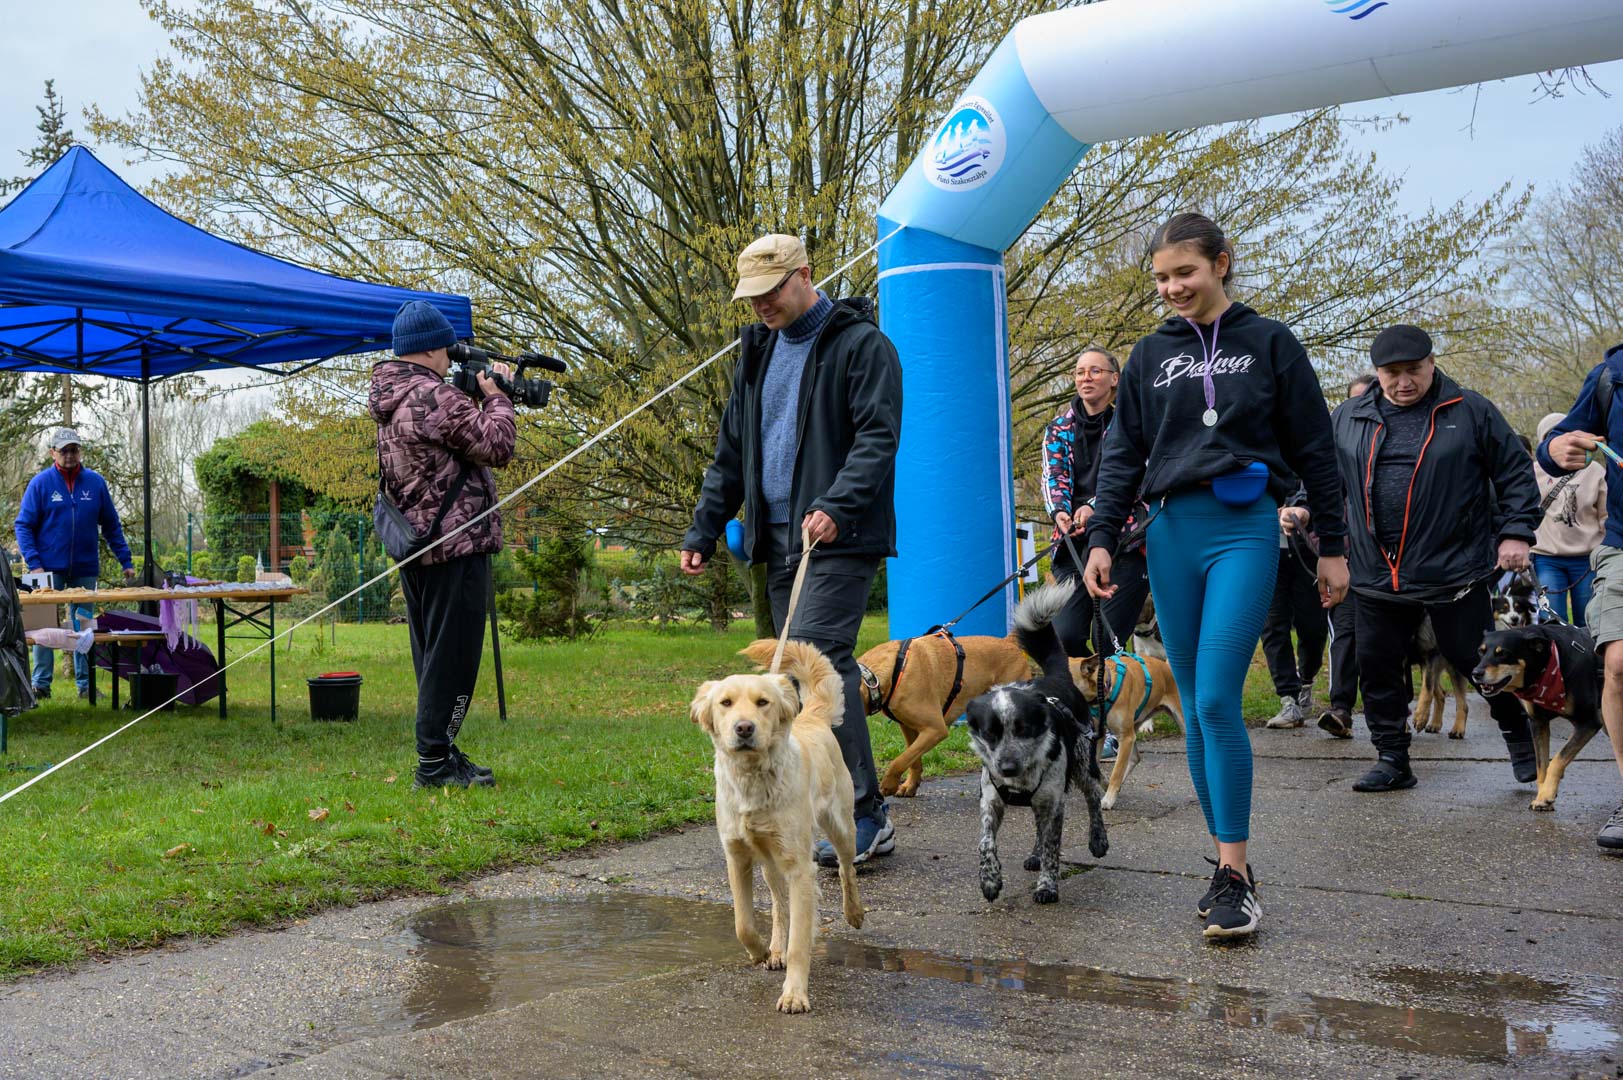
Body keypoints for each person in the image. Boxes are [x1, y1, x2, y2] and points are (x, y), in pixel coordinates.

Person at [1083, 212, 1349, 940]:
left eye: (1185, 273)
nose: (1173, 287)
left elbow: (1316, 449)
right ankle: (1228, 866)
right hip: (1170, 533)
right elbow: (1123, 453)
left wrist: (1331, 545)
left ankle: (1234, 874)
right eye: (1161, 278)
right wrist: (1103, 537)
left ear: (1221, 263)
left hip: (1244, 527)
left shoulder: (1271, 342)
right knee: (1197, 707)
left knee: (1217, 699)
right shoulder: (1148, 354)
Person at [681, 233, 902, 866]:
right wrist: (704, 528)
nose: (761, 305)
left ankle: (865, 815)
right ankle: (799, 808)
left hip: (838, 534)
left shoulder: (861, 345)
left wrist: (837, 504)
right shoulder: (756, 351)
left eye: (771, 291)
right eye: (751, 296)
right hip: (776, 538)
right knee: (794, 677)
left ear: (804, 275)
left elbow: (878, 438)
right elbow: (731, 453)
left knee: (818, 663)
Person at [1332, 325, 1540, 794]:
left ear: (1431, 364)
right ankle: (1392, 758)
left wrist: (1515, 532)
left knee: (1474, 660)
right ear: (1377, 372)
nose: (1403, 382)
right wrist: (1303, 506)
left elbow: (1515, 474)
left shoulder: (1470, 411)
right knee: (1378, 666)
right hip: (1375, 569)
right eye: (1392, 373)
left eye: (1413, 370)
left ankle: (1518, 733)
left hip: (1453, 570)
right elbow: (1325, 476)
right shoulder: (1348, 416)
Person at [369, 301, 515, 790]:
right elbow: (497, 445)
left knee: (432, 657)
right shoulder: (433, 395)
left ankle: (442, 753)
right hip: (455, 544)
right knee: (453, 660)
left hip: (418, 544)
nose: (451, 358)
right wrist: (496, 397)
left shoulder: (392, 396)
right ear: (432, 348)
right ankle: (433, 763)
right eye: (448, 349)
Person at [1537, 341, 1623, 851]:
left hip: (1592, 548)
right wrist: (1556, 449)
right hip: (1613, 547)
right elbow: (1558, 442)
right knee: (1614, 661)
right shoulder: (1611, 375)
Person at [1042, 347, 1149, 661]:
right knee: (1065, 636)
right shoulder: (1058, 429)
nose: (1085, 378)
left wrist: (1093, 506)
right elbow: (1053, 476)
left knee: (1107, 639)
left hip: (1124, 542)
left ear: (1114, 379)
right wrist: (1060, 513)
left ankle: (1120, 686)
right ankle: (1092, 686)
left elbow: (1135, 477)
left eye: (1095, 371)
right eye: (1079, 372)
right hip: (1074, 545)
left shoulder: (1132, 424)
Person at [14, 427, 137, 700]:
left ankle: (86, 685)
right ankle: (41, 685)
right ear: (53, 453)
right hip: (46, 570)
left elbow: (111, 525)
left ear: (79, 452)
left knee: (83, 626)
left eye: (74, 450)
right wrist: (35, 564)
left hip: (84, 568)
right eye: (64, 450)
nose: (69, 455)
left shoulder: (95, 483)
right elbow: (23, 525)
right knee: (44, 628)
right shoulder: (40, 484)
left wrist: (125, 560)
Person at [1317, 372, 1376, 738]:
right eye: (1355, 402)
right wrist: (1302, 511)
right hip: (1348, 560)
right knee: (1344, 633)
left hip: (1391, 564)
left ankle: (1394, 708)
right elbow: (1320, 492)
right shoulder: (1335, 448)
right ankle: (1340, 709)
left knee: (1388, 637)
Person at [1260, 478, 1328, 729]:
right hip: (1265, 548)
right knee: (1272, 625)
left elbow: (1319, 482)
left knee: (1312, 626)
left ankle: (1306, 680)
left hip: (1306, 545)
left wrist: (1301, 506)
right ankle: (1288, 699)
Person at [1531, 410, 1606, 626]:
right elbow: (1525, 511)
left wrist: (1608, 553)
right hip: (1547, 557)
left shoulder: (1595, 472)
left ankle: (1589, 651)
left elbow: (1605, 515)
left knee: (1589, 620)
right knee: (1552, 622)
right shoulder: (1533, 472)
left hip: (1586, 559)